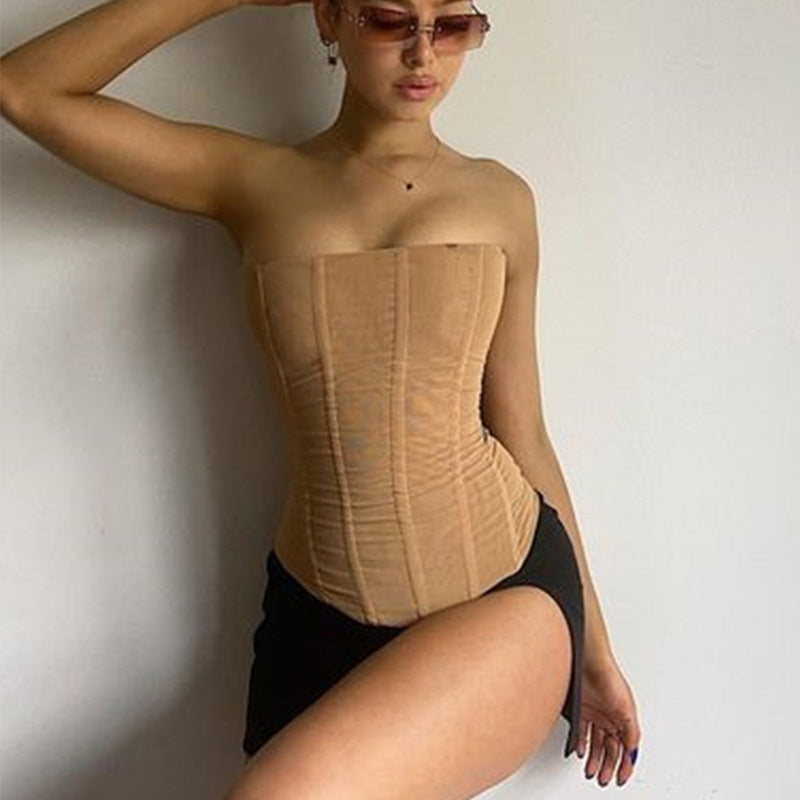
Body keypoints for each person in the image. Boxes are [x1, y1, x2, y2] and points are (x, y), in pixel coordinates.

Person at [0, 0, 642, 796]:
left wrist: (597, 650)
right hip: (316, 620)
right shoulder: (253, 182)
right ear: (328, 19)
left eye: (451, 26)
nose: (422, 54)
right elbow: (26, 89)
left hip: (501, 594)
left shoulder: (501, 198)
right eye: (389, 19)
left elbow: (524, 430)